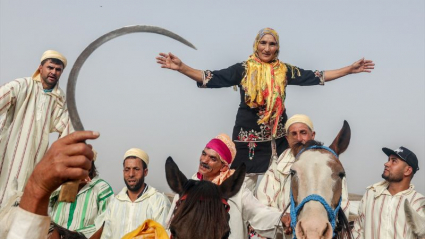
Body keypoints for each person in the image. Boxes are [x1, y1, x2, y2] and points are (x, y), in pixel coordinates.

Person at [156, 28, 375, 186]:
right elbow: (212, 78)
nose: (267, 48)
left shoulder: (284, 70)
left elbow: (315, 76)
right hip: (246, 143)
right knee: (240, 191)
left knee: (284, 185)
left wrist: (349, 69)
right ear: (256, 45)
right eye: (263, 43)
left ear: (277, 47)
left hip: (278, 142)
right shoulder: (243, 69)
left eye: (272, 44)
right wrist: (182, 67)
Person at [166, 133, 288, 239]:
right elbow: (171, 223)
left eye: (212, 158)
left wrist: (281, 219)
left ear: (224, 166)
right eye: (204, 154)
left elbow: (258, 213)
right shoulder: (189, 188)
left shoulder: (237, 192)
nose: (204, 160)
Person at [0, 50, 74, 208]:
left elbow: (67, 127)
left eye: (58, 69)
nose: (53, 72)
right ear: (40, 68)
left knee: (21, 207)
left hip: (35, 158)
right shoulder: (23, 85)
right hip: (9, 155)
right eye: (50, 67)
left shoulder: (59, 99)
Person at [256, 114, 350, 237]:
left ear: (313, 135)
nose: (299, 138)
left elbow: (343, 207)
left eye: (303, 132)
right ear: (287, 138)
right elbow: (261, 208)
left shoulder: (328, 166)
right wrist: (282, 219)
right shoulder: (276, 169)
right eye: (293, 134)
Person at [1, 131, 99, 239]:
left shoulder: (101, 187)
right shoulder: (60, 188)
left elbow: (105, 221)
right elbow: (48, 207)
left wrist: (77, 234)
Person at [352, 146, 424, 239]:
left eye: (394, 161)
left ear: (407, 170)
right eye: (388, 160)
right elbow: (358, 230)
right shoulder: (371, 195)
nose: (386, 164)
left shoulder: (419, 203)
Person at [99, 148, 171, 239]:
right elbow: (106, 236)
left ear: (145, 172)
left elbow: (162, 235)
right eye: (127, 169)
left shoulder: (159, 201)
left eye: (136, 169)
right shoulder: (114, 203)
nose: (131, 174)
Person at [48, 150, 114, 238]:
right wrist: (73, 183)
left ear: (91, 164)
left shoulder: (101, 188)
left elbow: (105, 223)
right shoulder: (62, 184)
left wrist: (74, 234)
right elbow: (46, 200)